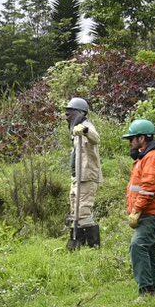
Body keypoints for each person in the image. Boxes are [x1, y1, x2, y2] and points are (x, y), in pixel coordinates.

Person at [123, 118, 155, 296]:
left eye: (132, 138)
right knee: (150, 249)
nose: (130, 142)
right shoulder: (148, 156)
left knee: (138, 246)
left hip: (153, 212)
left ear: (142, 138)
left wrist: (136, 210)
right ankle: (151, 292)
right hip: (152, 212)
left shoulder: (153, 157)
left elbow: (148, 187)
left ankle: (145, 292)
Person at [65, 97, 101, 249]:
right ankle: (77, 244)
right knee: (75, 211)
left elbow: (96, 138)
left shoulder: (86, 126)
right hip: (77, 177)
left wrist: (85, 131)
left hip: (87, 176)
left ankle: (93, 246)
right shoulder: (75, 130)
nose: (67, 116)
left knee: (83, 211)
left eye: (70, 113)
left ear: (79, 112)